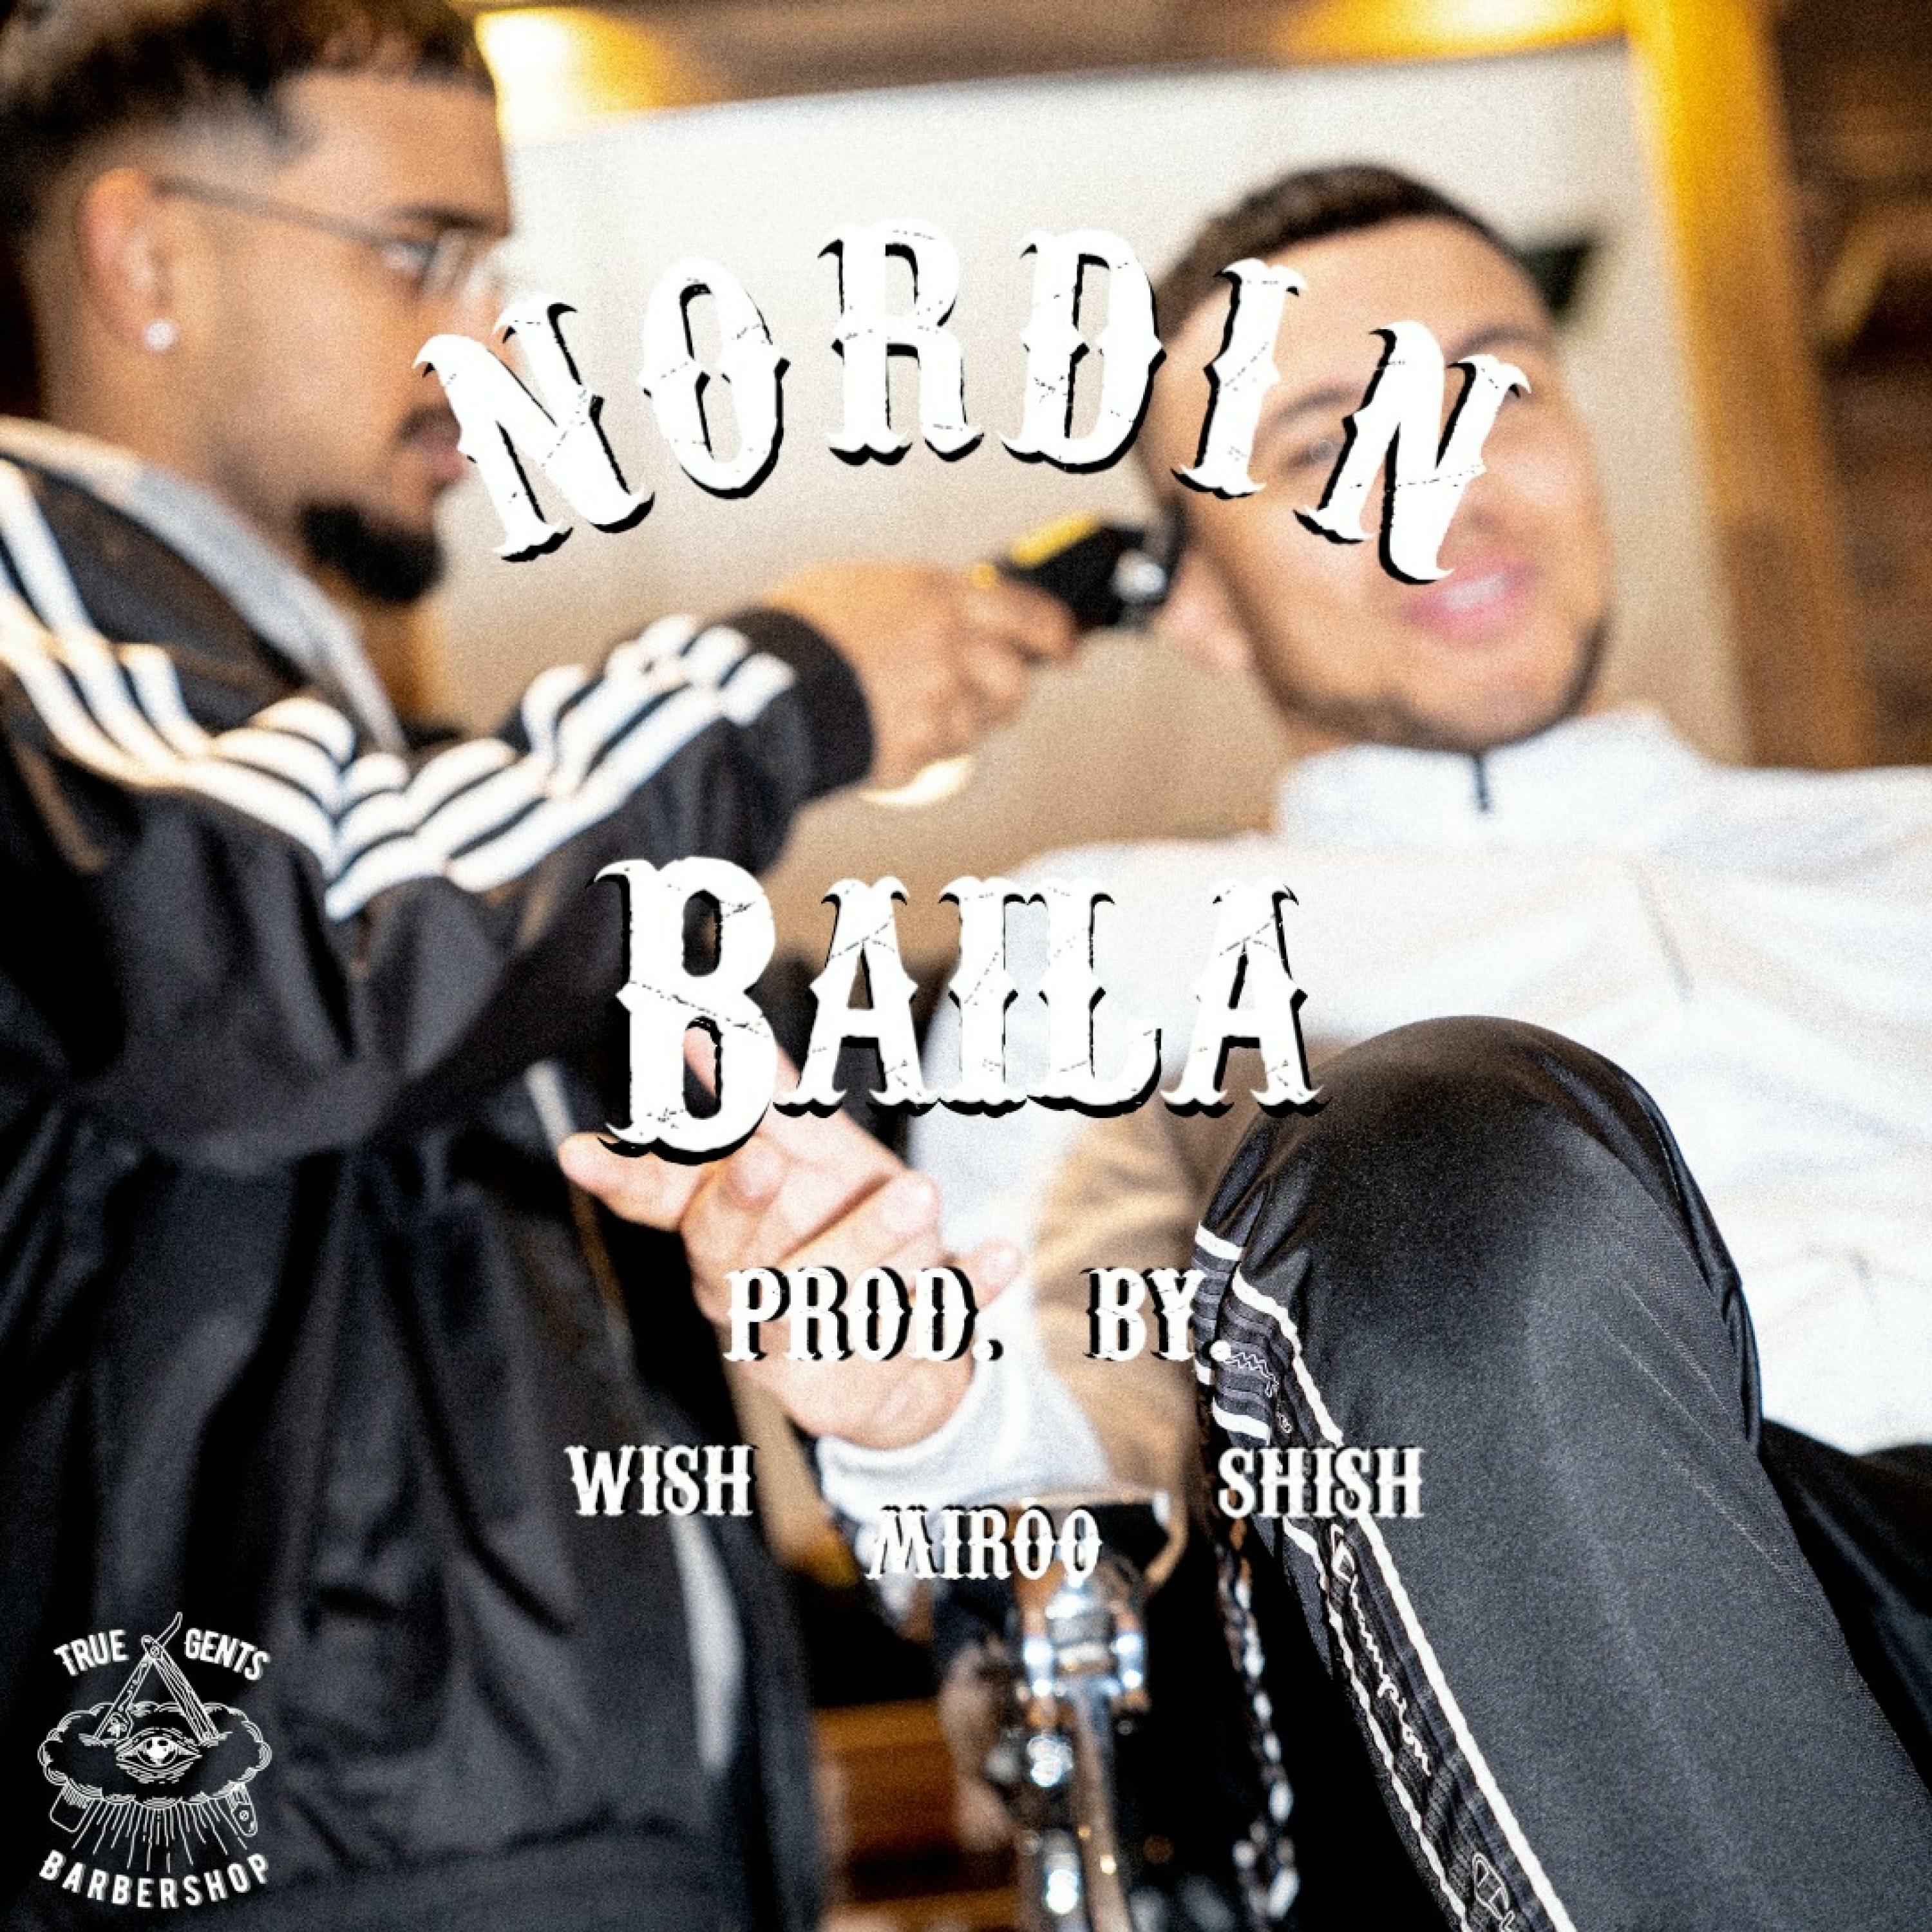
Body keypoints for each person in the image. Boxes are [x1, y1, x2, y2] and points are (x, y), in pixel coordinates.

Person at [569, 167, 1932, 1927]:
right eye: (1318, 444)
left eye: (1496, 387)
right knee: (1429, 1139)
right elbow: (1076, 1451)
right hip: (1611, 1660)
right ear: (1198, 598)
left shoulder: (1901, 844)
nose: (1436, 479)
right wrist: (921, 1404)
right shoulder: (1105, 935)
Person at [0, 3, 1076, 1927]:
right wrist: (784, 680)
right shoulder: (23, 580)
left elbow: (589, 1005)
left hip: (555, 1849)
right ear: (146, 256)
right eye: (422, 257)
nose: (487, 355)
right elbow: (307, 966)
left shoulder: (341, 773)